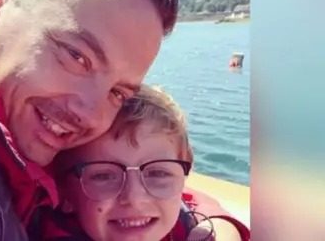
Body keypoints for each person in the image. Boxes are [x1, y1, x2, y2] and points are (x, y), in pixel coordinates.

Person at [0, 0, 178, 240]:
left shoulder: (22, 120)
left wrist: (209, 225)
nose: (90, 115)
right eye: (77, 56)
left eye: (118, 93)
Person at [44, 85, 250, 241]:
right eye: (103, 176)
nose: (135, 198)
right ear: (64, 193)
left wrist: (220, 226)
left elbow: (191, 200)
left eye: (157, 173)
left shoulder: (182, 220)